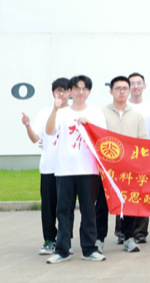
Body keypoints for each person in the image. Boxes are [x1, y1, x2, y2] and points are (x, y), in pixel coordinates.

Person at [45, 75, 108, 263]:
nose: (81, 92)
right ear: (70, 91)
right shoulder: (62, 112)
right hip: (65, 170)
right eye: (77, 88)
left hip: (88, 169)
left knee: (88, 211)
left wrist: (89, 124)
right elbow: (49, 131)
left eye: (85, 89)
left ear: (89, 92)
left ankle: (89, 249)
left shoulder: (95, 112)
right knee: (64, 211)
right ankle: (62, 250)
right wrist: (55, 109)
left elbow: (103, 137)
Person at [22, 77, 70, 255]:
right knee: (49, 207)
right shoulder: (44, 113)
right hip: (49, 167)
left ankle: (65, 240)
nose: (61, 94)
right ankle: (49, 239)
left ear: (70, 92)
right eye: (58, 90)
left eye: (64, 90)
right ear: (53, 93)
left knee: (66, 206)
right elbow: (35, 138)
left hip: (68, 169)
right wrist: (28, 126)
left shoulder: (73, 112)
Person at [101, 76, 149, 254]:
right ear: (111, 91)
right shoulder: (101, 114)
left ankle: (129, 238)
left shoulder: (136, 116)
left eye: (124, 88)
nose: (121, 91)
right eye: (117, 88)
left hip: (129, 168)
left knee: (129, 204)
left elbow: (143, 141)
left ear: (129, 91)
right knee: (102, 205)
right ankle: (99, 239)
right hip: (107, 169)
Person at [126, 72, 150, 244]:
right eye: (132, 84)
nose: (136, 87)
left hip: (145, 156)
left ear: (144, 86)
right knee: (125, 193)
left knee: (143, 193)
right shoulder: (122, 106)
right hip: (125, 156)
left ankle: (140, 232)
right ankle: (123, 232)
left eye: (139, 83)